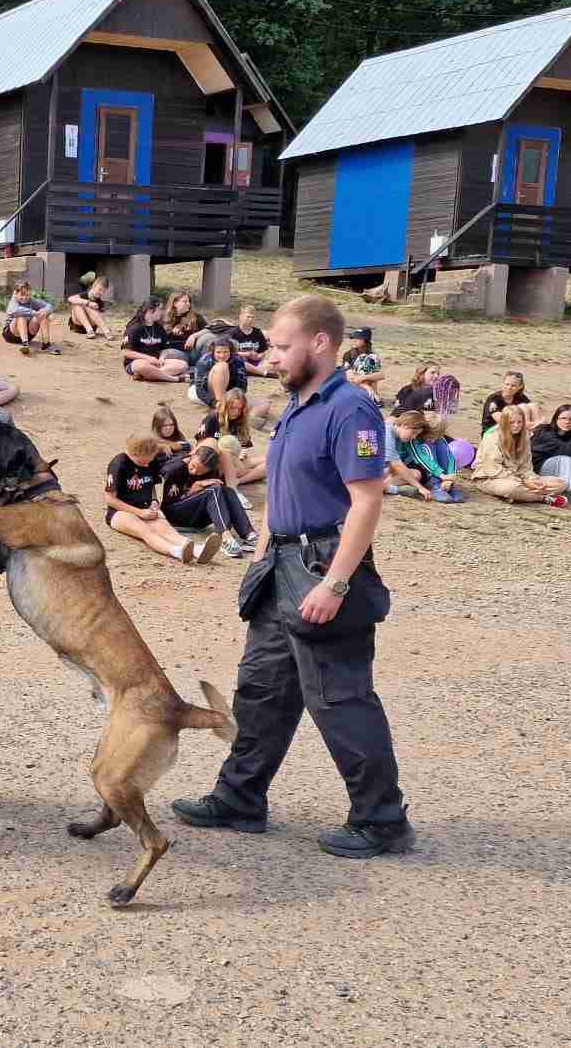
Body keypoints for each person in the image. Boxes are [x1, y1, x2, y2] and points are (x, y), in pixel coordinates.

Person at [172, 293, 413, 859]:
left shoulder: (350, 408)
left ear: (320, 343)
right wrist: (261, 551)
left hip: (323, 566)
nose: (272, 358)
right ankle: (240, 798)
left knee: (339, 696)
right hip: (280, 563)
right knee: (263, 689)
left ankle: (381, 821)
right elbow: (285, 491)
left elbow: (367, 502)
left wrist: (336, 584)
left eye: (283, 347)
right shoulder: (297, 405)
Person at [104, 434, 217, 564]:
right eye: (147, 459)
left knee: (166, 529)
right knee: (145, 530)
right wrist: (139, 513)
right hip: (120, 512)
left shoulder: (151, 462)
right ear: (135, 454)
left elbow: (150, 485)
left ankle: (197, 549)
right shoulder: (119, 464)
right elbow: (110, 498)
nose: (150, 462)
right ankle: (177, 552)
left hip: (145, 508)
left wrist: (154, 501)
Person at [157, 443, 259, 555]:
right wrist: (193, 490)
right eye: (193, 466)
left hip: (196, 519)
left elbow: (218, 499)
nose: (195, 472)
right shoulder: (174, 469)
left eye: (201, 472)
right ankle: (226, 538)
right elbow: (168, 505)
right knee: (213, 491)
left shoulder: (211, 471)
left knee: (227, 491)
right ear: (192, 456)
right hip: (174, 516)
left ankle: (249, 535)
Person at [471, 403, 568, 505]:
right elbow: (493, 470)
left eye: (519, 422)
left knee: (561, 483)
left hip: (519, 477)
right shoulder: (492, 438)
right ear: (505, 422)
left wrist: (532, 480)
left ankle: (524, 495)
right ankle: (542, 498)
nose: (516, 425)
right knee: (511, 489)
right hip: (491, 478)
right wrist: (524, 482)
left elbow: (526, 467)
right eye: (512, 422)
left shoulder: (525, 436)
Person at [197, 387, 266, 502]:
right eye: (232, 408)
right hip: (216, 461)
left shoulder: (240, 421)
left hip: (237, 461)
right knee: (226, 450)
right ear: (226, 405)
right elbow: (202, 445)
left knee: (272, 460)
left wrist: (242, 452)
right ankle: (239, 480)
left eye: (239, 409)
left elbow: (244, 445)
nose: (235, 412)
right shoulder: (213, 418)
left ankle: (238, 480)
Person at [384, 409, 463, 503]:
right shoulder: (393, 434)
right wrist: (439, 475)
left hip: (395, 468)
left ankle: (446, 486)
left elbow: (448, 455)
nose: (414, 437)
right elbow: (417, 458)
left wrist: (450, 477)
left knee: (416, 474)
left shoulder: (409, 434)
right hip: (382, 468)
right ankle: (434, 484)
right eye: (414, 434)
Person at [120, 298, 190, 383]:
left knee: (183, 365)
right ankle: (175, 379)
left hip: (156, 362)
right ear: (150, 310)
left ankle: (145, 375)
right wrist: (148, 358)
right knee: (141, 366)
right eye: (160, 309)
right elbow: (126, 352)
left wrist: (162, 358)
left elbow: (164, 348)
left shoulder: (158, 328)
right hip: (137, 362)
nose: (162, 312)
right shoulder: (134, 328)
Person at [189, 335, 249, 410]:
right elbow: (200, 389)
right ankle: (220, 406)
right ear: (213, 352)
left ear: (230, 351)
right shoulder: (204, 361)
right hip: (201, 393)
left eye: (225, 352)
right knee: (222, 366)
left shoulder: (238, 361)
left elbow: (242, 384)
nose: (222, 355)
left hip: (227, 393)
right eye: (218, 352)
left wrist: (235, 398)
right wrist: (213, 403)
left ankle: (224, 404)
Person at [3, 281, 60, 354]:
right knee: (20, 316)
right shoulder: (13, 301)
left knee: (42, 314)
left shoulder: (31, 301)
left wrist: (45, 311)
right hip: (12, 334)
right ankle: (25, 344)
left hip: (29, 333)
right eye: (22, 295)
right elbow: (14, 310)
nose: (24, 297)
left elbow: (49, 305)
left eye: (27, 295)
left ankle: (46, 344)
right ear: (15, 293)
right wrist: (33, 312)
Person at [342, 327, 384, 401]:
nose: (353, 340)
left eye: (358, 338)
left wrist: (362, 378)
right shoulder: (348, 354)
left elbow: (381, 375)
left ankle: (372, 395)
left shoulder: (372, 356)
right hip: (353, 385)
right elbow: (349, 376)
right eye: (352, 337)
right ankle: (371, 395)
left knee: (369, 365)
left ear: (365, 341)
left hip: (364, 384)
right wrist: (365, 386)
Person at [228, 306, 271, 376]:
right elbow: (228, 353)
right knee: (237, 362)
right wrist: (247, 354)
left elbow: (263, 351)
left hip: (256, 362)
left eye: (253, 317)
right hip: (241, 361)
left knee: (272, 364)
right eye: (248, 317)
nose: (250, 319)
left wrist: (258, 356)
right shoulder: (232, 333)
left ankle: (254, 370)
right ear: (240, 317)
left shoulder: (258, 332)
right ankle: (261, 372)